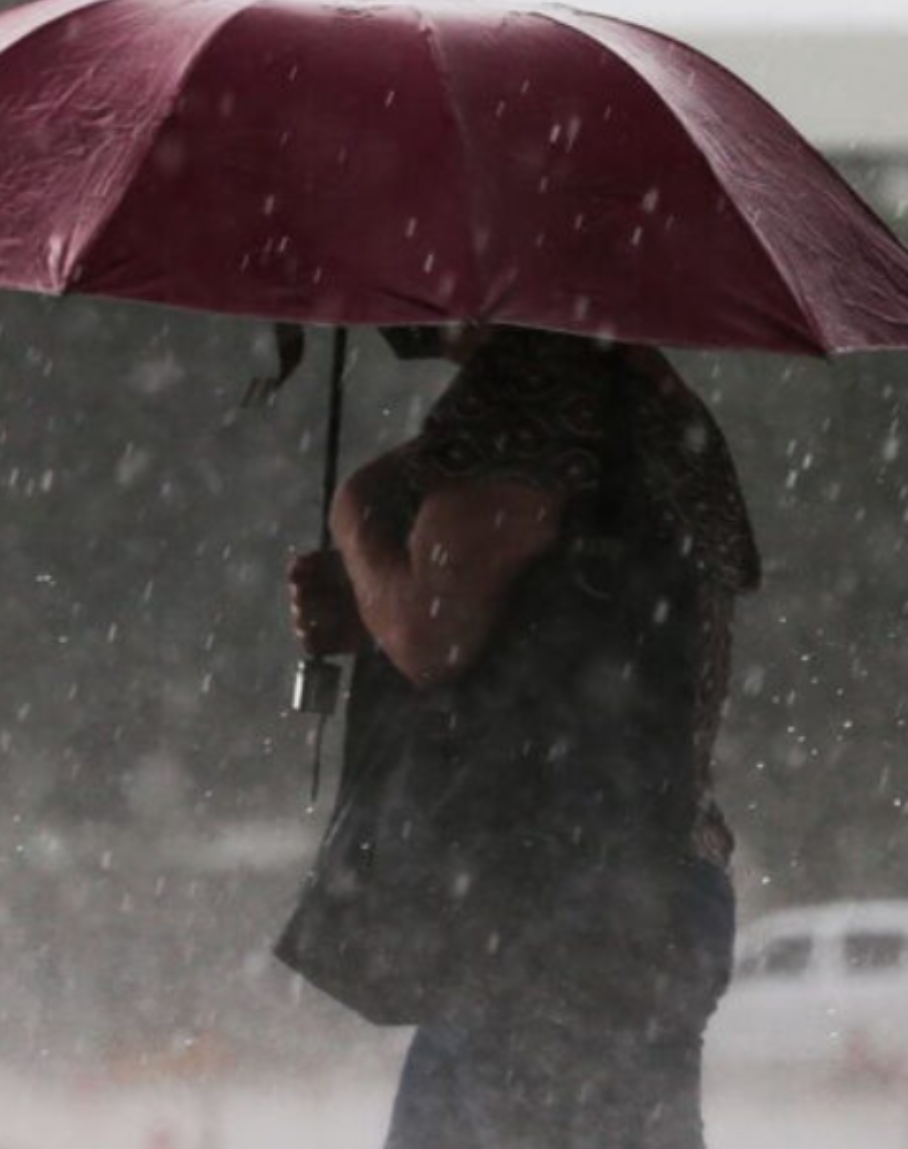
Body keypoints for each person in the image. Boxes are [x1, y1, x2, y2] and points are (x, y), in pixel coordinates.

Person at [277, 324, 760, 1149]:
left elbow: (433, 631)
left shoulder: (536, 387)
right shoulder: (651, 404)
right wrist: (370, 604)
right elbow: (563, 623)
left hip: (545, 911)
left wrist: (358, 521)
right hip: (637, 893)